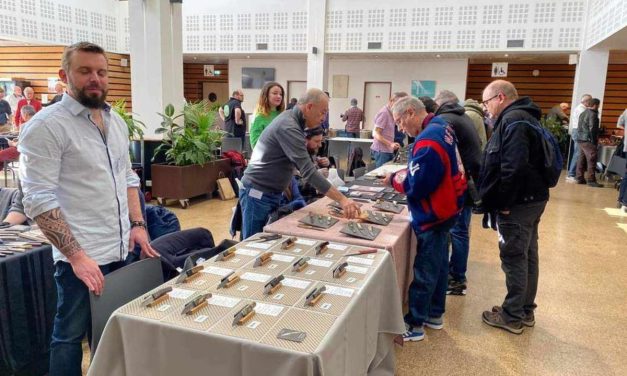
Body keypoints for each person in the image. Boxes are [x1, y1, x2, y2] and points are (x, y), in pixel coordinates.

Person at [18, 42, 159, 376]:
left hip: (120, 248)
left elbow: (127, 177)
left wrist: (137, 224)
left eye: (101, 71)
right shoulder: (47, 126)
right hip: (80, 260)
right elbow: (38, 198)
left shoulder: (116, 122)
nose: (95, 78)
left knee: (110, 331)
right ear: (64, 75)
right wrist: (78, 257)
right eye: (85, 71)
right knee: (67, 338)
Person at [384, 97, 466, 341]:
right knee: (439, 266)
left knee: (425, 271)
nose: (400, 129)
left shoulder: (428, 141)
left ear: (410, 113)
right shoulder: (441, 126)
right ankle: (435, 315)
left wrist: (394, 180)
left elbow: (418, 185)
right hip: (446, 210)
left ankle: (415, 324)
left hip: (433, 214)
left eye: (399, 122)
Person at [477, 80, 550, 335]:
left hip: (518, 203)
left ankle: (511, 316)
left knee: (514, 257)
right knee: (528, 254)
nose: (485, 108)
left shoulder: (513, 120)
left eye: (486, 103)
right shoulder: (527, 117)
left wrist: (504, 204)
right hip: (533, 199)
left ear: (499, 97)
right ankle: (524, 309)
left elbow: (513, 167)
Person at [239, 88, 360, 238]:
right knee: (253, 243)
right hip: (257, 193)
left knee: (265, 240)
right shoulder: (289, 125)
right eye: (322, 112)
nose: (324, 117)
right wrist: (342, 199)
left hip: (270, 193)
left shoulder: (294, 122)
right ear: (309, 107)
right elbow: (308, 172)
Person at [434, 90, 482, 296]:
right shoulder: (463, 116)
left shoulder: (446, 120)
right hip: (470, 181)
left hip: (463, 184)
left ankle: (456, 279)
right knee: (462, 231)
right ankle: (457, 276)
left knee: (458, 231)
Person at [371, 92, 408, 167]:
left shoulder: (391, 113)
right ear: (391, 101)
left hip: (387, 150)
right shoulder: (384, 113)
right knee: (381, 176)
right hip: (381, 151)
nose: (400, 107)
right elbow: (375, 133)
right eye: (398, 104)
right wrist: (390, 144)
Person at [575, 98, 602, 187]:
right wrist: (594, 141)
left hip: (580, 139)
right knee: (592, 159)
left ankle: (579, 178)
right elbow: (592, 129)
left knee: (581, 159)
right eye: (598, 105)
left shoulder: (583, 113)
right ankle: (591, 180)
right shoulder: (593, 114)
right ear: (595, 105)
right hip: (588, 140)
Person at [249, 82, 284, 149]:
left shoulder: (283, 115)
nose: (279, 96)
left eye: (281, 94)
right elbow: (255, 144)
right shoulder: (259, 117)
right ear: (266, 95)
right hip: (268, 157)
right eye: (275, 93)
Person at [566, 94, 592, 183]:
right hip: (578, 131)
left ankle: (572, 173)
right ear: (586, 101)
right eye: (590, 101)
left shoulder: (581, 109)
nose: (591, 103)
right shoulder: (581, 110)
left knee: (578, 153)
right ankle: (571, 174)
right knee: (577, 153)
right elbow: (585, 123)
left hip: (577, 131)